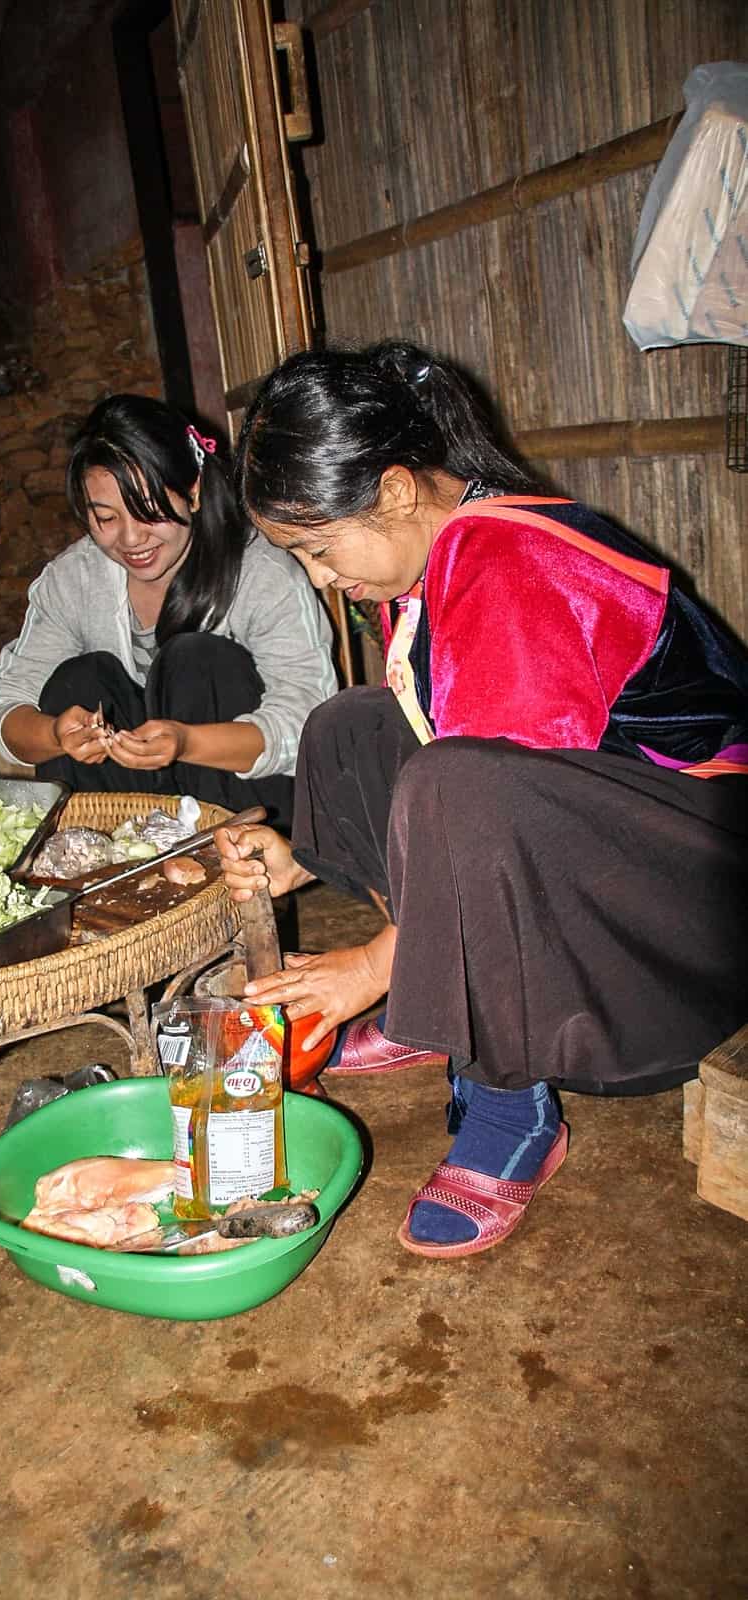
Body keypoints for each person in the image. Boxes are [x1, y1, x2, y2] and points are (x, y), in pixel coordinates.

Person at [215, 339, 748, 1259]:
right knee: (352, 728)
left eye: (315, 548)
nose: (318, 578)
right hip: (624, 842)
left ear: (390, 490)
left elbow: (486, 796)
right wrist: (302, 858)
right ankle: (448, 1005)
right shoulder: (436, 555)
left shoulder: (507, 559)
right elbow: (438, 744)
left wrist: (374, 965)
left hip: (696, 903)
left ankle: (510, 1104)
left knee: (461, 782)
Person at [0, 393, 338, 827]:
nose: (131, 540)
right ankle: (112, 870)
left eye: (148, 510)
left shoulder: (261, 572)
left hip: (248, 801)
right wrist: (55, 735)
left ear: (193, 491)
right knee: (77, 681)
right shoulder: (73, 579)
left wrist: (188, 742)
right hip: (133, 800)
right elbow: (7, 702)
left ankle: (228, 877)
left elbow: (308, 721)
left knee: (195, 661)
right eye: (106, 519)